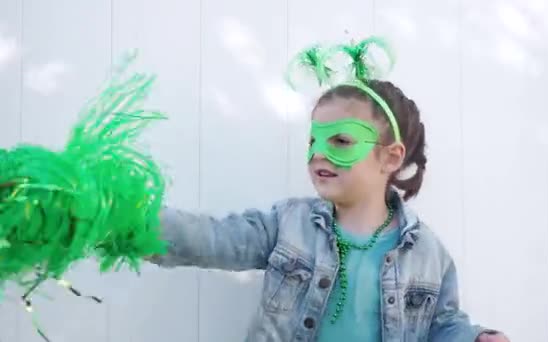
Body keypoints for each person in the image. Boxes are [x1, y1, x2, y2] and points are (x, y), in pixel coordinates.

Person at [149, 39, 510, 342]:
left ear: (390, 158)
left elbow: (443, 325)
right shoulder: (288, 224)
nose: (319, 152)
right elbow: (213, 239)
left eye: (340, 140)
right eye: (314, 140)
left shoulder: (429, 255)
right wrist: (134, 222)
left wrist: (475, 337)